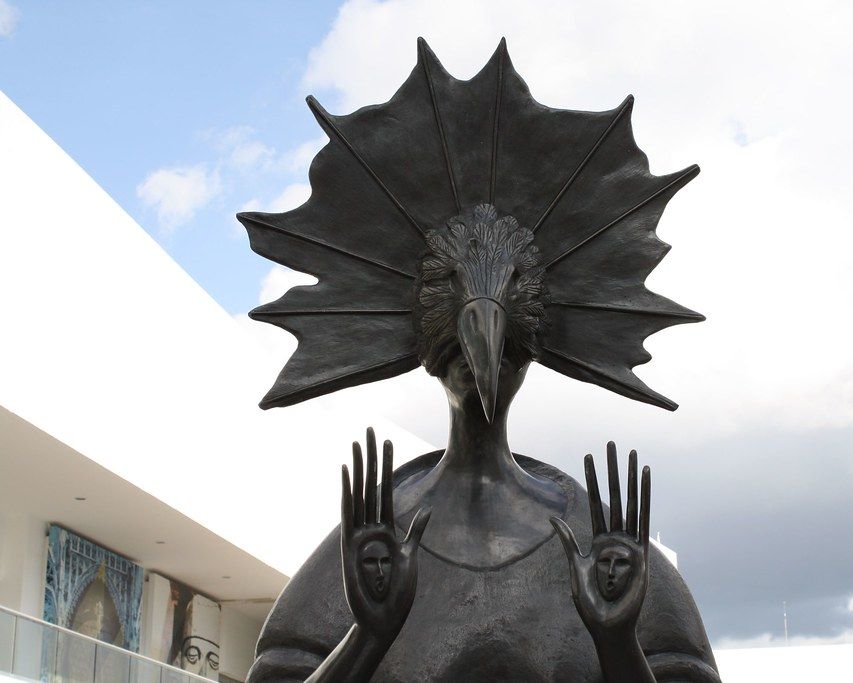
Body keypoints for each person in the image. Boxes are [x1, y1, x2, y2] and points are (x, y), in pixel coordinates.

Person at [239, 39, 719, 682]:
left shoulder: (593, 538)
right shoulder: (382, 536)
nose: (485, 356)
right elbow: (280, 669)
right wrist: (368, 636)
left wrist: (616, 643)